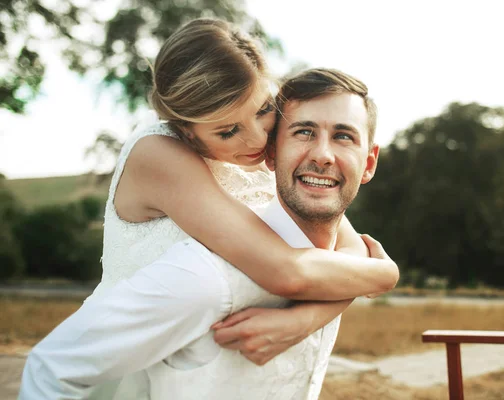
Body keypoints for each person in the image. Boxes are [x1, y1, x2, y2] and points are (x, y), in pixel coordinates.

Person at [19, 67, 386, 400]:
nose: (322, 155)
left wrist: (311, 316)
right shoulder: (208, 279)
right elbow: (50, 369)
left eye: (343, 137)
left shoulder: (341, 268)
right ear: (271, 154)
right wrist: (386, 276)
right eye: (304, 132)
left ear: (368, 164)